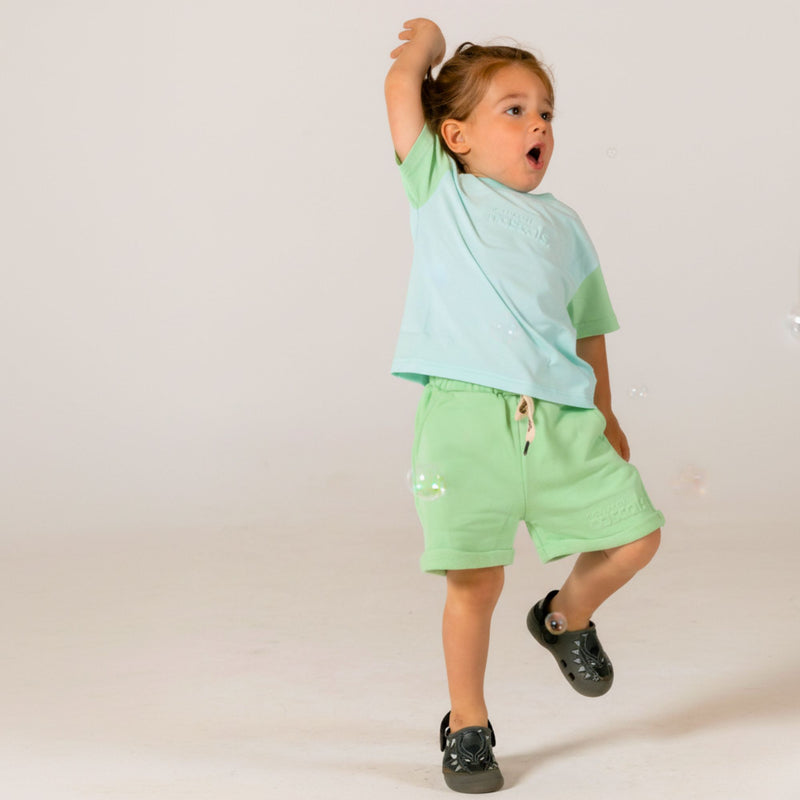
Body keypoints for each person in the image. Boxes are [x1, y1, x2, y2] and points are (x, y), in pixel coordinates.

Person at [385, 18, 665, 794]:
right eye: (513, 109)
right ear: (456, 135)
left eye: (545, 111)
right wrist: (425, 45)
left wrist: (605, 411)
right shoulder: (440, 190)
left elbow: (589, 327)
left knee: (636, 537)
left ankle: (564, 617)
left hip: (561, 419)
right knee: (472, 582)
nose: (538, 122)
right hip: (464, 421)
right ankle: (467, 722)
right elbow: (399, 92)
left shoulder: (565, 227)